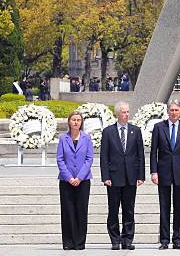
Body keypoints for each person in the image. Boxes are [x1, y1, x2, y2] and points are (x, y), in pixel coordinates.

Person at [150, 99, 180, 250]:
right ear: (167, 111)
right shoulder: (159, 127)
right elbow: (153, 152)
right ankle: (164, 240)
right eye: (172, 110)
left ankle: (177, 240)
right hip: (163, 172)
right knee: (164, 207)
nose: (174, 112)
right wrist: (154, 171)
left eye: (176, 110)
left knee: (179, 208)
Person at [100, 101, 145, 250]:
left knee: (129, 210)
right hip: (113, 178)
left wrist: (141, 175)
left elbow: (140, 155)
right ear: (117, 113)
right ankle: (115, 239)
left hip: (130, 177)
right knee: (113, 210)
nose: (126, 115)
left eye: (127, 112)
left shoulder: (136, 131)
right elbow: (104, 156)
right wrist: (105, 176)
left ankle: (127, 240)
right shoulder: (108, 132)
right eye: (124, 112)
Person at [56, 111, 94, 250]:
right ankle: (68, 242)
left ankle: (80, 242)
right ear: (69, 122)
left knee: (81, 210)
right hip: (66, 181)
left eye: (78, 120)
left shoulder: (87, 138)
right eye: (73, 119)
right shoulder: (63, 138)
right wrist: (69, 177)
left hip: (83, 180)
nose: (76, 122)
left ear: (81, 122)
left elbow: (89, 159)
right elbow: (60, 159)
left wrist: (79, 177)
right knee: (67, 211)